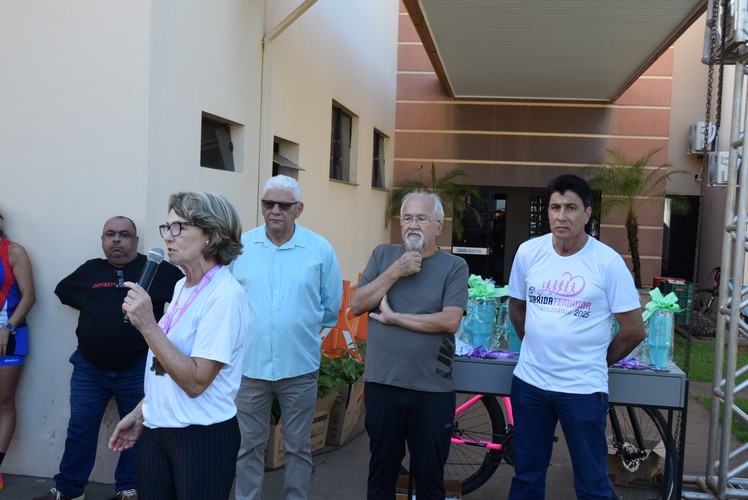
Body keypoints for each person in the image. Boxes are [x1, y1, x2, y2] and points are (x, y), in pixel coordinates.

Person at [506, 174, 646, 499]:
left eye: (571, 207)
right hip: (530, 386)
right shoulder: (528, 253)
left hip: (582, 390)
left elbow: (634, 330)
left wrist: (597, 360)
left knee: (592, 483)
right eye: (555, 207)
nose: (561, 216)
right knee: (526, 477)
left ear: (588, 213)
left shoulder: (607, 263)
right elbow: (516, 307)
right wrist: (537, 348)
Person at [107, 192, 248, 500]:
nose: (168, 237)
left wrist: (147, 324)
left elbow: (196, 381)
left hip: (201, 435)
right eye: (166, 227)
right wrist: (143, 411)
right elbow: (166, 361)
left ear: (210, 235)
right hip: (160, 430)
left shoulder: (224, 296)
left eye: (178, 228)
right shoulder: (182, 285)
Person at [34, 216, 183, 500]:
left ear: (136, 241)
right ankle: (69, 490)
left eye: (124, 235)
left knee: (137, 430)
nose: (117, 239)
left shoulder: (160, 272)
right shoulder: (91, 270)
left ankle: (129, 489)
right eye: (110, 234)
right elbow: (63, 291)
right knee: (80, 428)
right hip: (90, 367)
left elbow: (181, 302)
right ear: (102, 240)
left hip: (138, 366)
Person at [349, 191, 469, 500]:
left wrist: (396, 318)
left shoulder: (454, 266)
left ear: (438, 226)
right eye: (407, 218)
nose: (412, 225)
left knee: (429, 479)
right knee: (381, 474)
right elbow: (358, 304)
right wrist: (396, 270)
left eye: (421, 218)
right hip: (383, 384)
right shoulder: (382, 256)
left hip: (432, 390)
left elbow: (449, 321)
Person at [231, 175, 342, 500]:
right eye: (268, 203)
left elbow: (330, 306)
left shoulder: (319, 249)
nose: (275, 210)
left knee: (298, 447)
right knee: (248, 446)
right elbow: (228, 302)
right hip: (250, 368)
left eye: (284, 205)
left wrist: (303, 334)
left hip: (299, 368)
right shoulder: (241, 247)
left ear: (299, 209)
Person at [0, 212, 36, 492]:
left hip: (9, 335)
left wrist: (8, 327)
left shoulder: (13, 251)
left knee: (3, 403)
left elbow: (29, 296)